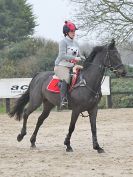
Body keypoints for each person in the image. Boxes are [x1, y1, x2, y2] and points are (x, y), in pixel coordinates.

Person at [54, 21, 83, 109]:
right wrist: (74, 58)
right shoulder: (63, 42)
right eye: (72, 31)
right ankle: (63, 100)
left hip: (72, 66)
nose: (74, 33)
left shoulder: (76, 43)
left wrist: (84, 58)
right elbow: (62, 55)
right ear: (67, 32)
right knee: (66, 78)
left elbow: (79, 55)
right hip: (61, 65)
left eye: (74, 31)